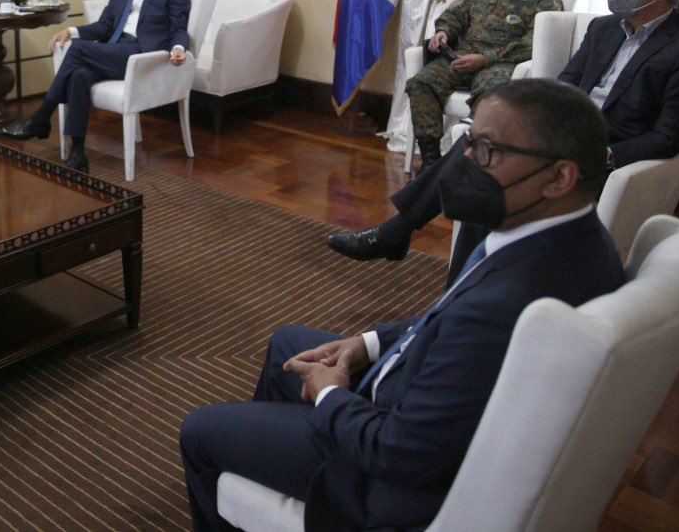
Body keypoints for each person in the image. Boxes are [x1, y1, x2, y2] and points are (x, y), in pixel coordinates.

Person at [180, 79, 625, 531]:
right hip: (419, 397)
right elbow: (449, 317)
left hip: (382, 482)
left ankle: (293, 468)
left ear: (558, 178)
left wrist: (331, 395)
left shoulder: (508, 301)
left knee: (201, 431)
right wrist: (367, 343)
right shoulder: (566, 236)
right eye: (469, 141)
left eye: (487, 150)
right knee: (287, 343)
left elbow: (400, 453)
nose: (465, 161)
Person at [329, 0, 679, 273]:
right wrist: (535, 120)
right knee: (480, 147)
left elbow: (671, 135)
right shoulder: (604, 28)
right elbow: (565, 83)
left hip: (603, 152)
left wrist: (602, 154)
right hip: (560, 135)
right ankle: (444, 271)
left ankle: (401, 235)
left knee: (487, 169)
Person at [0, 0, 191, 174]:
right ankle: (78, 152)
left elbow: (179, 28)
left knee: (77, 50)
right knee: (78, 74)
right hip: (113, 49)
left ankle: (41, 117)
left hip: (140, 54)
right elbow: (104, 26)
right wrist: (71, 31)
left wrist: (178, 49)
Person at [405, 0, 562, 171]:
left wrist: (485, 59)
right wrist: (444, 31)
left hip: (499, 64)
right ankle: (430, 160)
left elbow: (533, 45)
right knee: (421, 82)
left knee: (490, 95)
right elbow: (454, 14)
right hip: (460, 59)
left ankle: (470, 163)